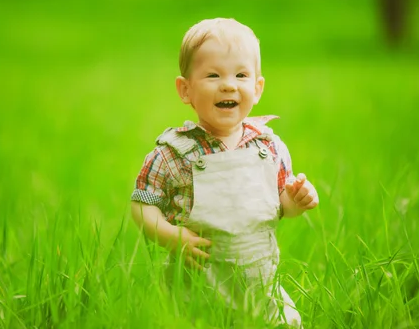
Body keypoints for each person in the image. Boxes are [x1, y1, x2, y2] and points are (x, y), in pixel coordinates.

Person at [131, 18, 319, 328]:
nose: (229, 84)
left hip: (261, 289)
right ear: (185, 89)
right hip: (196, 289)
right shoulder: (173, 154)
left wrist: (296, 201)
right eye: (213, 75)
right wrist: (170, 236)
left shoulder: (269, 147)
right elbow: (142, 204)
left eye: (241, 75)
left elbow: (281, 205)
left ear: (257, 88)